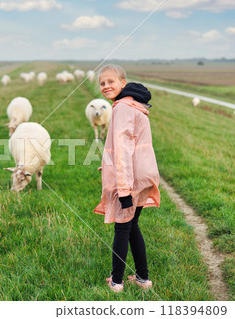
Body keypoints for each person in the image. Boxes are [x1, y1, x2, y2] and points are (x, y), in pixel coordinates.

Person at [93, 64, 160, 293]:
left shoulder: (122, 108)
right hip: (142, 176)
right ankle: (143, 279)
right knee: (132, 227)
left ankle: (117, 283)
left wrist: (123, 191)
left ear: (123, 83)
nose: (105, 86)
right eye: (102, 83)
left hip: (130, 179)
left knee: (122, 229)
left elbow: (122, 151)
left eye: (110, 81)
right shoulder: (134, 105)